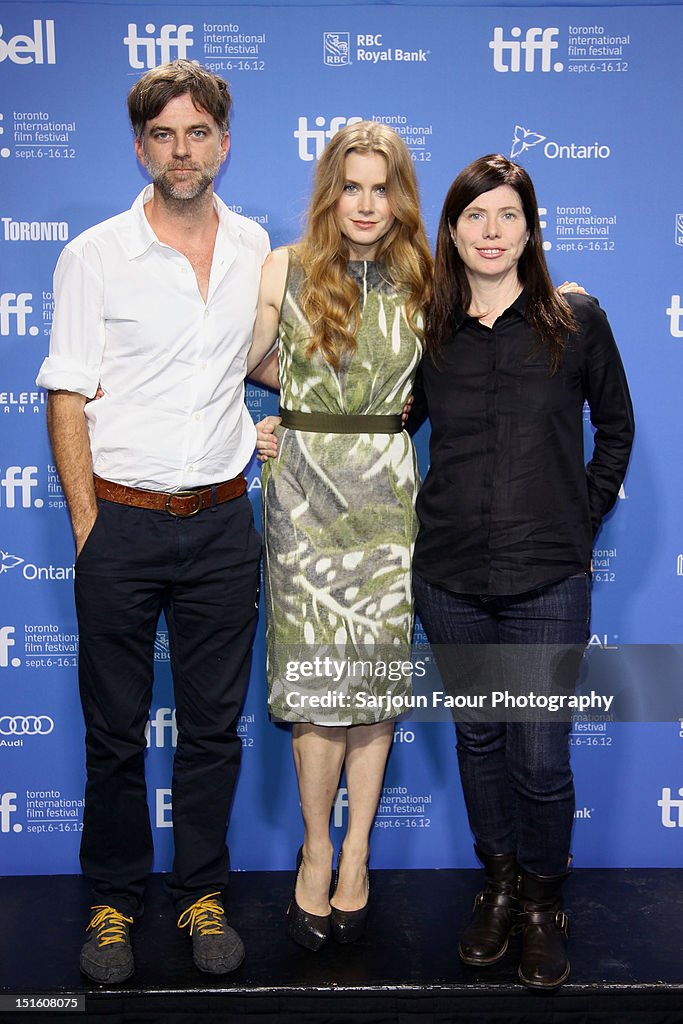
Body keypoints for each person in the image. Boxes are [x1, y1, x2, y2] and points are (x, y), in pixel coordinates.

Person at [36, 60, 268, 983]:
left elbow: (268, 365)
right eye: (164, 134)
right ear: (140, 147)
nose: (183, 150)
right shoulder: (93, 254)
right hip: (121, 528)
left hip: (221, 524)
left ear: (223, 140)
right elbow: (64, 393)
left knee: (214, 730)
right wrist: (91, 526)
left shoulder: (256, 247)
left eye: (198, 132)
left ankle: (200, 892)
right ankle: (110, 903)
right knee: (115, 732)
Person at [411, 154, 634, 989]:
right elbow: (379, 423)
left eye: (507, 216)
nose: (491, 231)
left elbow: (614, 428)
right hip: (449, 578)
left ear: (529, 228)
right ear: (452, 229)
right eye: (475, 216)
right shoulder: (428, 326)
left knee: (538, 756)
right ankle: (497, 886)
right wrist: (293, 430)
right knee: (479, 741)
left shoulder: (575, 320)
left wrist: (581, 516)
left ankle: (543, 901)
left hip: (546, 580)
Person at [248, 121, 432, 949]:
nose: (365, 203)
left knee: (373, 684)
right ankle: (315, 848)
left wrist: (562, 295)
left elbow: (476, 349)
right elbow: (240, 360)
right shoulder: (284, 268)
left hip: (387, 502)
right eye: (350, 185)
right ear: (330, 189)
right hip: (302, 496)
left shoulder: (427, 277)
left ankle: (358, 850)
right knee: (318, 683)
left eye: (380, 186)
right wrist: (283, 419)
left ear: (400, 195)